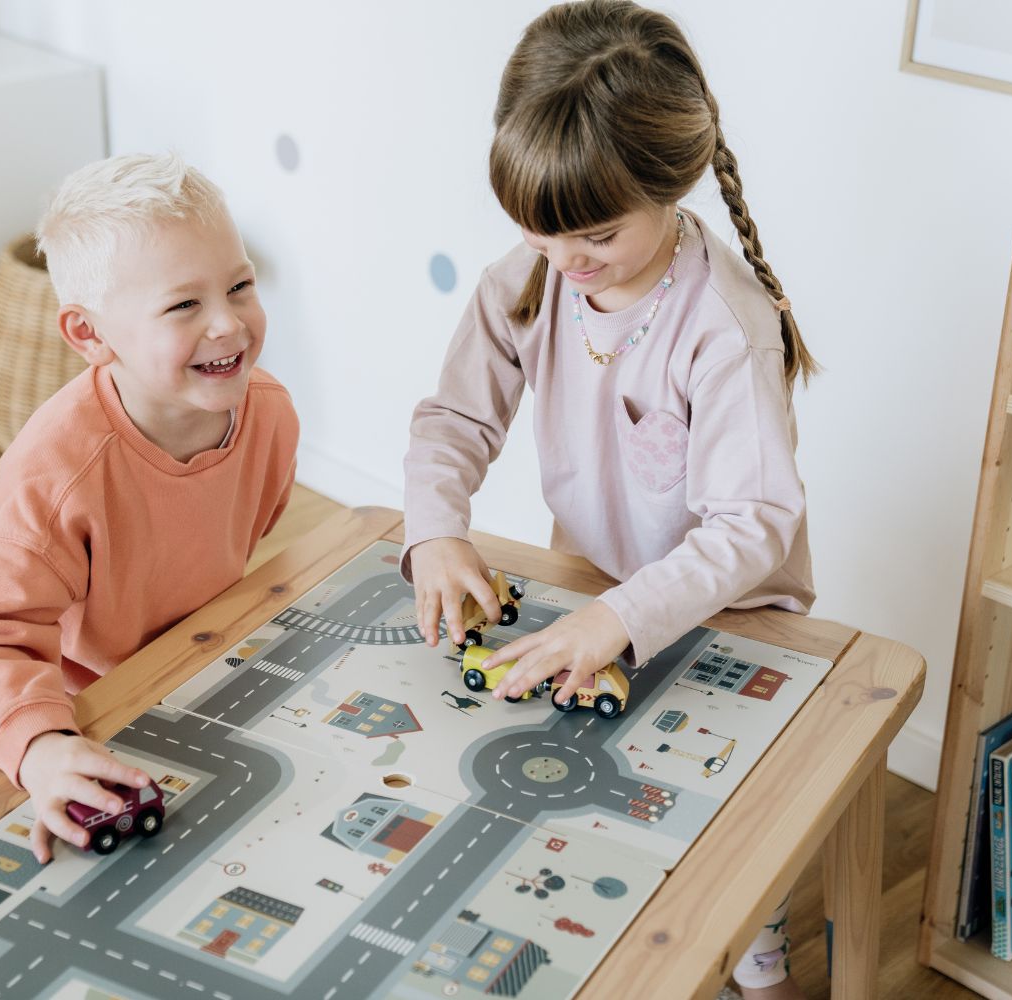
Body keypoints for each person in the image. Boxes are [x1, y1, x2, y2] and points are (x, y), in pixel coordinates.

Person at [402, 4, 814, 997]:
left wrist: (623, 614)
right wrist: (435, 531)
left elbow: (753, 523)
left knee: (719, 815)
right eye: (540, 234)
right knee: (587, 791)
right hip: (589, 584)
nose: (564, 260)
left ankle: (751, 929)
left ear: (669, 186)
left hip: (733, 618)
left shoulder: (722, 323)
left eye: (592, 234)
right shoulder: (529, 276)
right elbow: (453, 417)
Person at [0, 153, 298, 865]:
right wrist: (41, 751)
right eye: (184, 305)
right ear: (90, 336)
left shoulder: (272, 415)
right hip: (84, 706)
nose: (228, 324)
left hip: (203, 667)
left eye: (240, 286)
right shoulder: (55, 473)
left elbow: (245, 542)